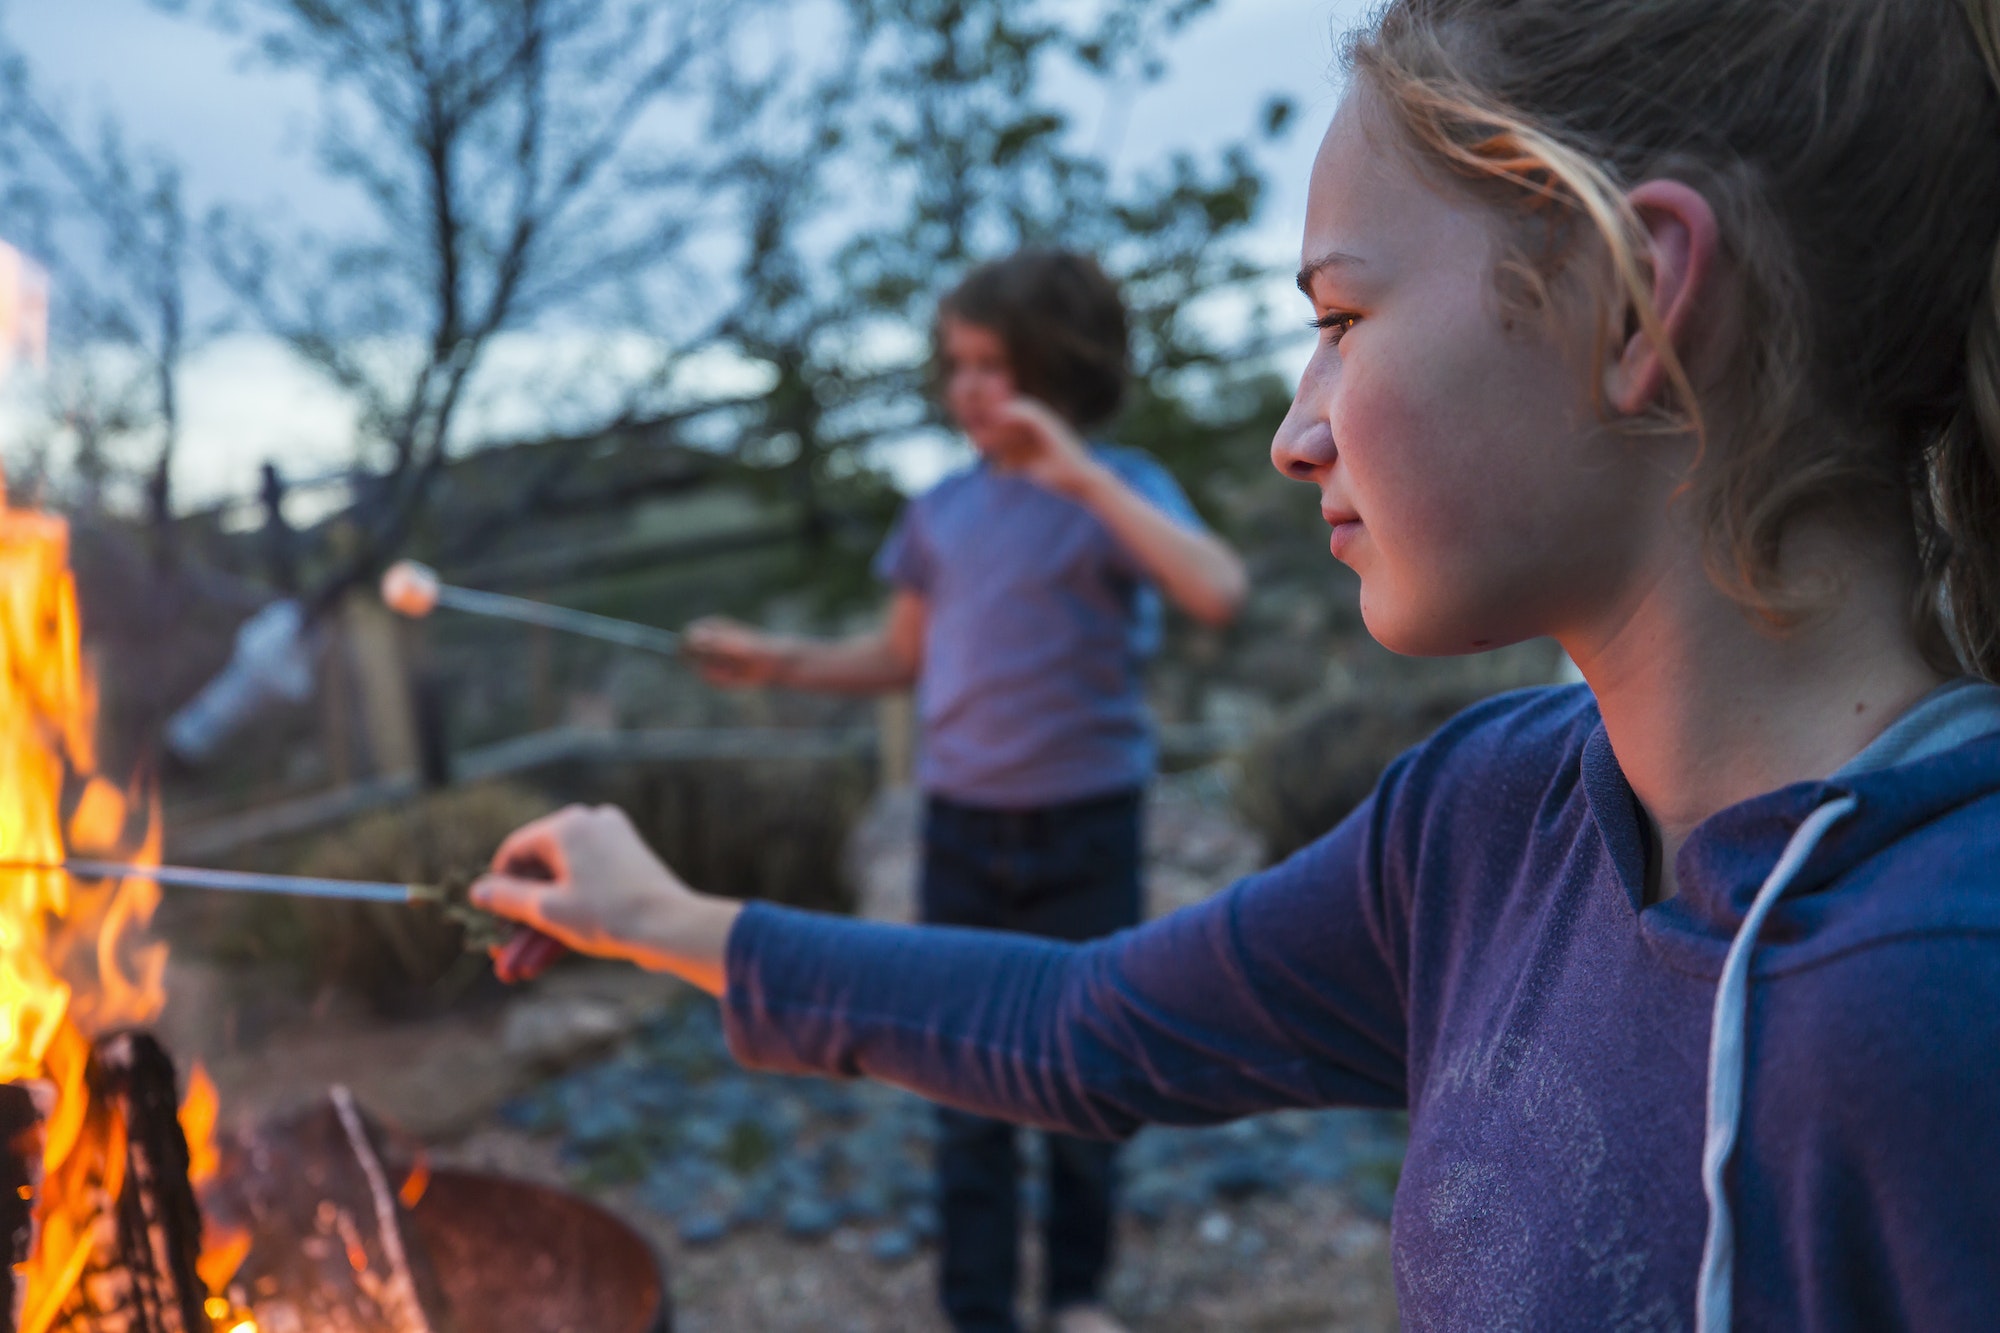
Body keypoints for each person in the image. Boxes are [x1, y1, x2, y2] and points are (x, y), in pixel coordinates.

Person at [472, 0, 2000, 1326]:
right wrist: (662, 920)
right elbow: (1085, 1026)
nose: (1295, 432)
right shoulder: (1486, 821)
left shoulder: (1934, 1001)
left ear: (1637, 297)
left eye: (1342, 316)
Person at [672, 249, 1247, 1333]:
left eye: (992, 365)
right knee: (964, 1090)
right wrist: (776, 658)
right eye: (955, 366)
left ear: (1058, 369)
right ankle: (976, 1309)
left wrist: (1076, 472)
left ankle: (1075, 1296)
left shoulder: (1118, 490)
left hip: (1085, 828)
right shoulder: (938, 512)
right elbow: (896, 657)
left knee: (1085, 1072)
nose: (966, 390)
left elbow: (1215, 589)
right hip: (961, 834)